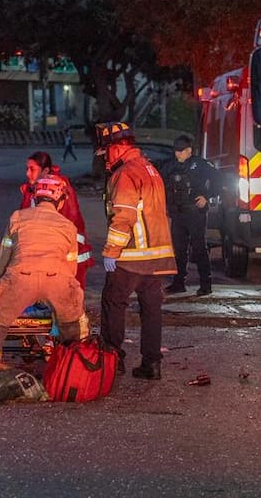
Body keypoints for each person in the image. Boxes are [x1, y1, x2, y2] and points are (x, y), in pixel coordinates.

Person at [0, 175, 87, 362]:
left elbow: (4, 258)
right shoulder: (68, 226)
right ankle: (75, 367)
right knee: (75, 324)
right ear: (61, 200)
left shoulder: (18, 217)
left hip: (21, 276)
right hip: (58, 279)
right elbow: (71, 269)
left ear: (35, 197)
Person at [95, 121, 176, 380]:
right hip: (157, 256)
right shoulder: (150, 168)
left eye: (106, 151)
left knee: (113, 302)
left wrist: (111, 251)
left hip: (131, 256)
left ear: (117, 147)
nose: (105, 158)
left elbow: (123, 217)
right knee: (151, 309)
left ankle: (112, 359)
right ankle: (152, 363)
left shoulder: (125, 174)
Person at [20, 151, 93, 288]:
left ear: (45, 171)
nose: (27, 174)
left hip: (66, 257)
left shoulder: (60, 190)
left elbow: (70, 221)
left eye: (32, 169)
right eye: (27, 169)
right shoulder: (32, 189)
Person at [163, 134, 219, 296]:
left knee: (199, 248)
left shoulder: (200, 165)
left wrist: (207, 197)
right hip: (177, 214)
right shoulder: (170, 166)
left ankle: (205, 284)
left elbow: (220, 180)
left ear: (189, 151)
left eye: (181, 151)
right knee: (179, 250)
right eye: (176, 151)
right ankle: (178, 283)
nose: (177, 154)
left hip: (195, 213)